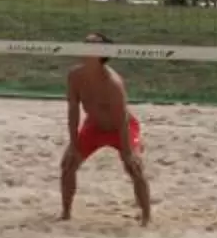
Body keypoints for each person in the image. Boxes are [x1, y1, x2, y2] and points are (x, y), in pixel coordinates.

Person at [62, 33, 152, 223]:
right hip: (94, 126)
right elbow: (73, 111)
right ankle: (66, 213)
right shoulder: (74, 76)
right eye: (85, 42)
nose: (85, 45)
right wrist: (73, 143)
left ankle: (146, 217)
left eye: (91, 44)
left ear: (102, 53)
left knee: (134, 167)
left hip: (121, 128)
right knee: (68, 164)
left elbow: (122, 120)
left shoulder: (113, 83)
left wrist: (128, 152)